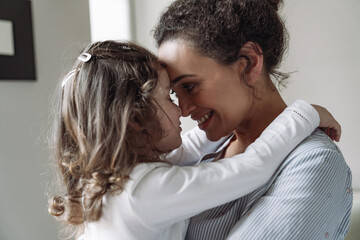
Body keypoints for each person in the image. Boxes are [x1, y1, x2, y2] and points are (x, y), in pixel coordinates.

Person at [48, 40, 340, 240]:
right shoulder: (145, 190)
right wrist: (305, 113)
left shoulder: (118, 181)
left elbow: (186, 151)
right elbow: (252, 167)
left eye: (188, 88)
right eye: (170, 96)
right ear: (136, 118)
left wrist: (222, 116)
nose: (182, 110)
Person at [153, 0, 352, 239]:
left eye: (190, 86)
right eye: (174, 93)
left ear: (249, 63)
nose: (183, 110)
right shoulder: (196, 154)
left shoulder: (313, 161)